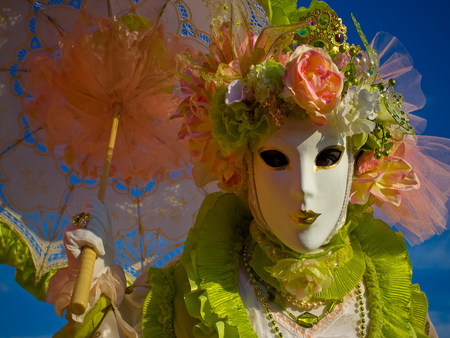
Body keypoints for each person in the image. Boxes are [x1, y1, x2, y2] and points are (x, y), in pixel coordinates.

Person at [6, 0, 449, 337]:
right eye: (276, 159)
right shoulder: (185, 290)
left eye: (328, 157)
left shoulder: (390, 299)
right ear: (242, 169)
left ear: (359, 165)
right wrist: (100, 288)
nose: (305, 190)